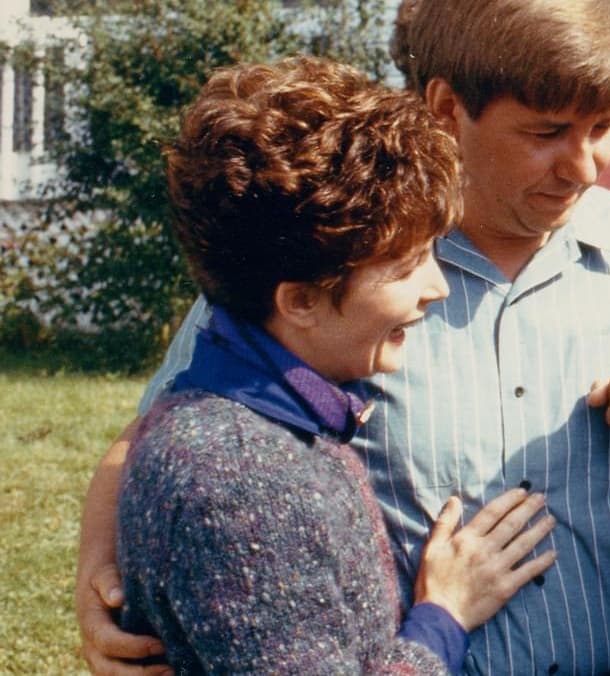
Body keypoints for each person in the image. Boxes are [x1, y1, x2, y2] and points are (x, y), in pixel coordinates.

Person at [75, 1, 610, 673]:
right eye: (547, 132)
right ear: (448, 107)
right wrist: (98, 582)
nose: (585, 165)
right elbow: (172, 432)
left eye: (604, 126)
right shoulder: (337, 253)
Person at [116, 56, 555, 672]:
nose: (437, 288)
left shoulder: (260, 424)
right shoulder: (243, 478)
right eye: (405, 267)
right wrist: (445, 615)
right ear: (300, 301)